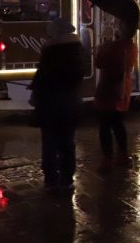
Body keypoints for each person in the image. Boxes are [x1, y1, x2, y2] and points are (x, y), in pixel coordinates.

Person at [30, 18, 85, 192]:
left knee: (50, 144)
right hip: (70, 104)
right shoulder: (77, 50)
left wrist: (35, 88)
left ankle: (52, 181)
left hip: (50, 105)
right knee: (68, 143)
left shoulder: (51, 52)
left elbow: (43, 79)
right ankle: (67, 179)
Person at [94, 19, 138, 171]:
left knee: (105, 126)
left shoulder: (113, 47)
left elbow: (99, 63)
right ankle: (123, 155)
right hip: (122, 90)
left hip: (107, 90)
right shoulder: (132, 47)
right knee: (119, 125)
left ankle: (107, 159)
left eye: (119, 26)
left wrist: (101, 48)